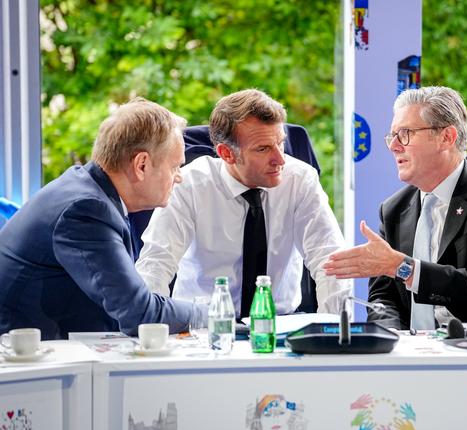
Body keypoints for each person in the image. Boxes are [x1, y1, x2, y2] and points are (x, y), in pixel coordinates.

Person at [324, 86, 467, 330]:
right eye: (392, 136)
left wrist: (403, 267)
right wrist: (392, 341)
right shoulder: (393, 210)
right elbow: (383, 300)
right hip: (418, 355)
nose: (394, 146)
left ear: (447, 137)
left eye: (405, 133)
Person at [135, 89, 350, 317]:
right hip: (204, 325)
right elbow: (156, 263)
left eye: (280, 143)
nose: (280, 159)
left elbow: (331, 261)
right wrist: (151, 330)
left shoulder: (300, 180)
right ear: (227, 154)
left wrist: (332, 332)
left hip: (281, 325)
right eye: (263, 148)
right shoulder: (190, 184)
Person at [0, 98, 200, 339]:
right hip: (27, 363)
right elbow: (139, 313)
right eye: (175, 167)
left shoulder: (85, 189)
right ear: (141, 164)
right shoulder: (86, 210)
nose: (179, 177)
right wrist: (210, 315)